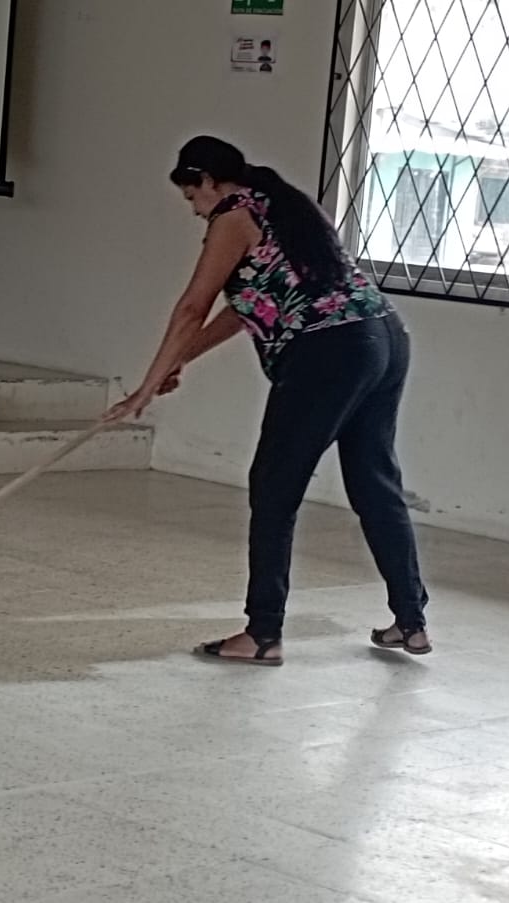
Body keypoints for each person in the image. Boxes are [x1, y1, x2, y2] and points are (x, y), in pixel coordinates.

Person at [105, 135, 431, 664]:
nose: (195, 210)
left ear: (209, 181)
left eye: (192, 196)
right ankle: (411, 622)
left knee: (274, 487)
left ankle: (262, 634)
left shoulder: (233, 216)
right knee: (374, 480)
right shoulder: (279, 203)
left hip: (328, 350)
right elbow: (246, 309)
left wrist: (146, 386)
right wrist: (178, 361)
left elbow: (192, 307)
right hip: (382, 336)